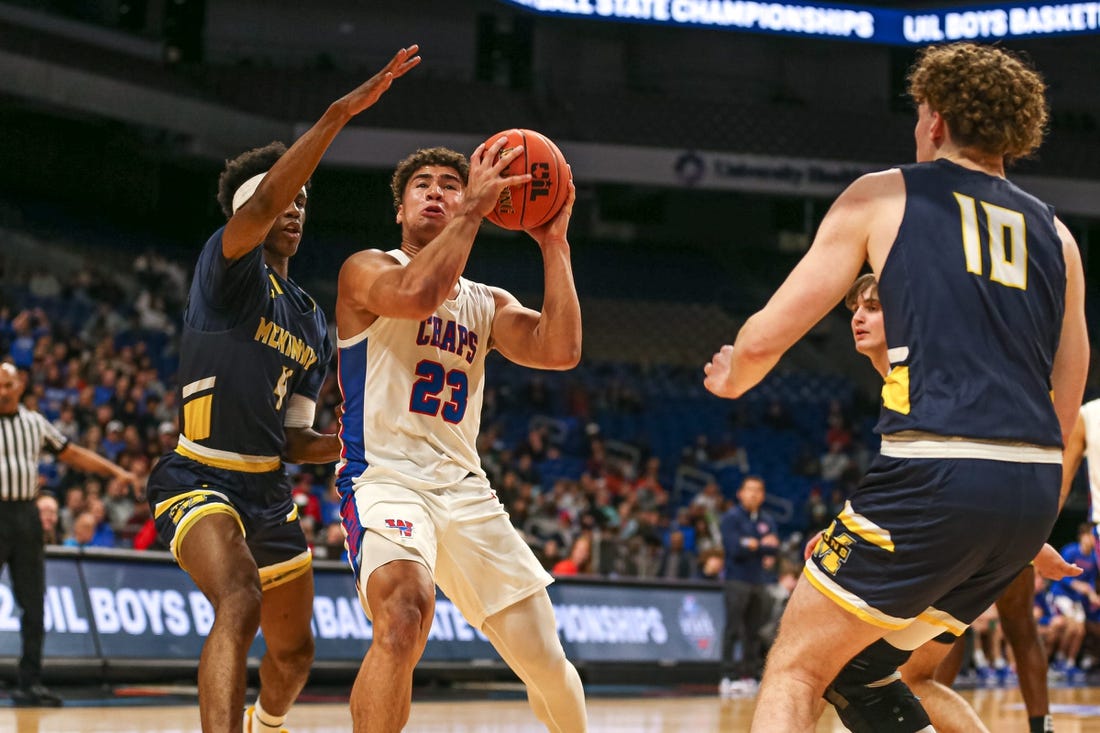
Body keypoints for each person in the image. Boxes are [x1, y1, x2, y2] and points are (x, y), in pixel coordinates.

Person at [704, 42, 1089, 733]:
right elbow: (1066, 405)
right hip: (1028, 493)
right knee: (861, 671)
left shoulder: (886, 192)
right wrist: (1026, 521)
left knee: (797, 666)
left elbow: (766, 336)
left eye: (919, 112)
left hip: (936, 472)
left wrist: (735, 373)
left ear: (936, 118)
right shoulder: (1058, 237)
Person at [143, 46, 421, 733]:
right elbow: (266, 196)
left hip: (268, 489)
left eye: (302, 200)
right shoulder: (226, 268)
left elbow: (297, 436)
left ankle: (270, 724)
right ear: (251, 210)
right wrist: (338, 114)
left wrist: (357, 439)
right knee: (237, 600)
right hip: (197, 474)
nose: (294, 206)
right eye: (281, 199)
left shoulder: (312, 320)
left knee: (295, 655)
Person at [334, 142, 587, 732]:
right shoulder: (366, 268)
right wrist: (472, 210)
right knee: (403, 614)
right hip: (385, 479)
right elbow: (417, 295)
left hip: (465, 491)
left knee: (546, 662)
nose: (437, 193)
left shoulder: (487, 302)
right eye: (422, 184)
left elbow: (561, 348)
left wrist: (554, 244)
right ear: (401, 210)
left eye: (451, 184)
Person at [845, 274, 1062, 733]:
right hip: (999, 524)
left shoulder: (928, 370)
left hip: (960, 532)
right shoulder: (894, 374)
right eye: (856, 309)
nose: (859, 317)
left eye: (874, 308)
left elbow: (944, 465)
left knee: (836, 668)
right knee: (909, 676)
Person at [0, 361, 136, 706]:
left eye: (7, 384)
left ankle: (29, 684)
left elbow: (73, 453)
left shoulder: (34, 422)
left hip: (26, 515)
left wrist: (115, 470)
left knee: (34, 605)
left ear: (20, 386)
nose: (2, 391)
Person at [718, 475, 779, 697]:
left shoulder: (767, 520)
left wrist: (755, 545)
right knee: (733, 629)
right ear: (740, 493)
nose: (753, 494)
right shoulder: (731, 518)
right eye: (749, 489)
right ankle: (727, 676)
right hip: (736, 580)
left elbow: (774, 548)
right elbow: (734, 548)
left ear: (762, 495)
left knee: (754, 632)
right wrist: (759, 545)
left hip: (758, 581)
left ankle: (750, 676)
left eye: (758, 490)